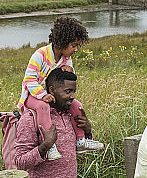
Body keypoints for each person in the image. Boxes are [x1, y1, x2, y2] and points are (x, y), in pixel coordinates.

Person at [17, 16, 103, 161]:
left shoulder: (66, 59)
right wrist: (43, 95)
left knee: (77, 105)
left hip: (51, 93)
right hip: (33, 95)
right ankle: (49, 145)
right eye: (73, 45)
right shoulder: (40, 55)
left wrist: (70, 71)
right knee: (43, 107)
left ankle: (80, 140)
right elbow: (29, 80)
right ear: (63, 41)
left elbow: (68, 82)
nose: (75, 49)